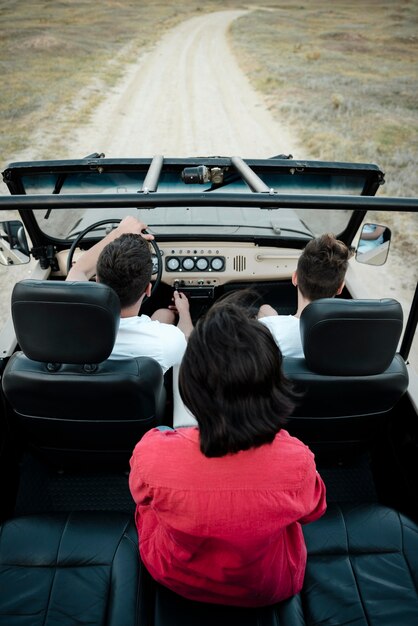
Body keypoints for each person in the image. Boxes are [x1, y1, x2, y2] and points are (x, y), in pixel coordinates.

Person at [129, 304, 327, 607]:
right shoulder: (297, 460)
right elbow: (314, 511)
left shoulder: (151, 453)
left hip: (174, 575)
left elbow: (141, 497)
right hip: (269, 585)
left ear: (190, 389)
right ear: (273, 388)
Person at [66, 215, 193, 373]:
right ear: (148, 289)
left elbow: (79, 270)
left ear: (97, 281)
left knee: (164, 314)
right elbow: (188, 341)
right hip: (139, 396)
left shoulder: (69, 324)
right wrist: (184, 312)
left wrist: (117, 232)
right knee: (166, 315)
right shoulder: (165, 341)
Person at [258, 233, 352, 357]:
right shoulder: (349, 337)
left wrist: (270, 320)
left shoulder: (268, 329)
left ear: (295, 277)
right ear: (340, 288)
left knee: (265, 309)